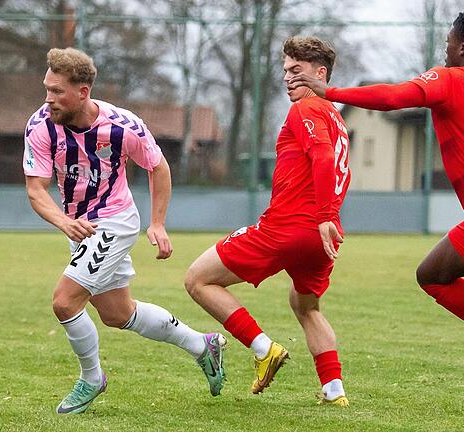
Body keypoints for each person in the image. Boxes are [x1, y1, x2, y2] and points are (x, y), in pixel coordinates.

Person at [289, 7, 464, 394]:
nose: (446, 46)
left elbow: (393, 96)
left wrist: (330, 92)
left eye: (449, 40)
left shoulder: (451, 80)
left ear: (463, 46)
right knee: (433, 275)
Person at [24, 47, 226, 414]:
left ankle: (91, 378)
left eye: (57, 92)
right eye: (47, 89)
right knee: (118, 314)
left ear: (83, 92)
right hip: (80, 226)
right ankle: (203, 345)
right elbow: (36, 188)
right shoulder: (41, 125)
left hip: (114, 221)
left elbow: (158, 167)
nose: (48, 99)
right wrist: (64, 221)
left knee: (64, 301)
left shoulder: (122, 126)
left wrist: (158, 223)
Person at [185, 36, 351, 406]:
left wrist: (322, 215)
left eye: (298, 70)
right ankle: (334, 390)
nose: (289, 78)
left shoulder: (306, 110)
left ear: (320, 73)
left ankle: (264, 350)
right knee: (305, 305)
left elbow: (322, 157)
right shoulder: (337, 119)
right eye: (286, 71)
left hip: (290, 228)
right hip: (323, 237)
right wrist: (327, 219)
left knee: (197, 279)